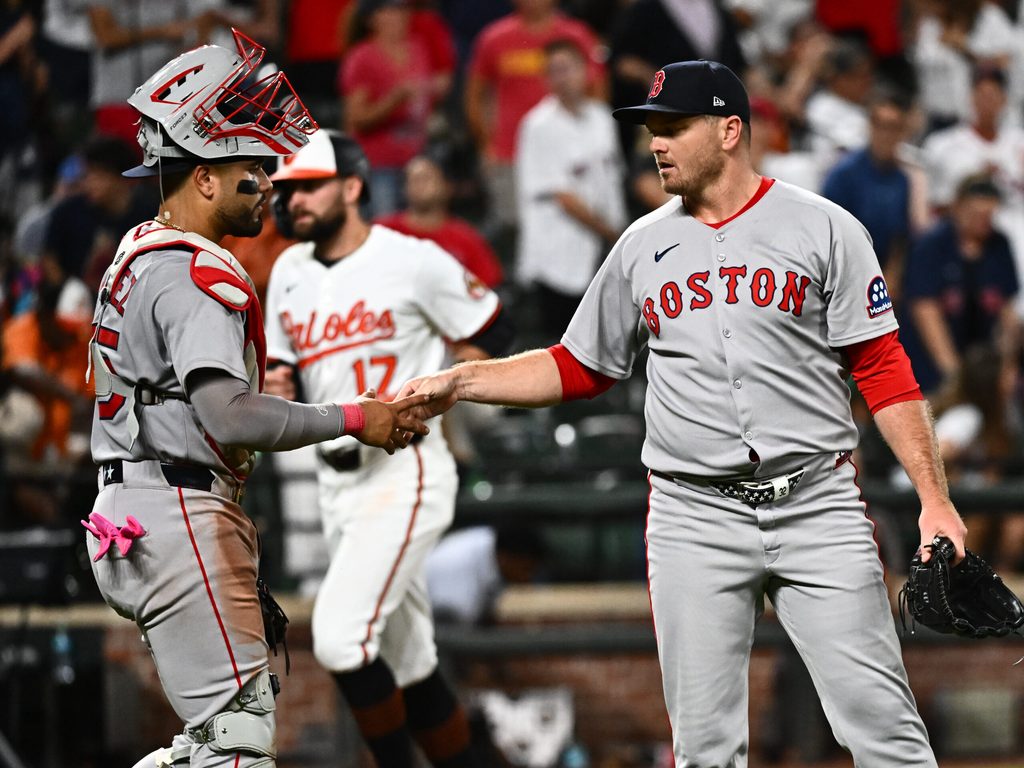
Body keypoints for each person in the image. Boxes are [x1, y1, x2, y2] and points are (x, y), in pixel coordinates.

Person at [399, 60, 967, 766]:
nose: (655, 144)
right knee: (703, 749)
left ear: (731, 129)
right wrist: (466, 380)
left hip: (816, 503)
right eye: (651, 130)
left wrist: (934, 500)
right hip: (694, 516)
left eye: (673, 127)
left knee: (886, 734)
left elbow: (883, 369)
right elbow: (580, 365)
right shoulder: (641, 245)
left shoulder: (826, 228)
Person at [83, 31, 430, 768]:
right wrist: (356, 417)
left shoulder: (139, 249)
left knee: (201, 748)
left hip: (135, 512)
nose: (266, 183)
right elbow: (228, 415)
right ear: (203, 177)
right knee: (235, 746)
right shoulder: (196, 271)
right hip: (176, 515)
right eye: (249, 167)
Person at [263, 128, 514, 768]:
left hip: (406, 472)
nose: (295, 201)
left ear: (352, 187)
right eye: (287, 190)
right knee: (412, 663)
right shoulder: (288, 271)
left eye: (309, 187)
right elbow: (285, 364)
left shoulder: (412, 259)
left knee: (341, 639)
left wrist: (454, 385)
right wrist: (279, 379)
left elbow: (491, 332)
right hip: (334, 482)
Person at [515, 38, 627, 339]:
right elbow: (564, 198)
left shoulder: (602, 117)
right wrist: (615, 235)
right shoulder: (539, 125)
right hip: (558, 258)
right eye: (554, 71)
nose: (562, 77)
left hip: (599, 250)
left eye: (568, 68)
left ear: (585, 70)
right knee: (561, 351)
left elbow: (613, 180)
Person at [900, 175, 1020, 395]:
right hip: (929, 363)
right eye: (975, 214)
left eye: (988, 215)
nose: (982, 221)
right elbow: (926, 312)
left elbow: (1006, 310)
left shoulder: (999, 245)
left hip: (978, 356)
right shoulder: (931, 245)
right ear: (957, 207)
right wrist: (954, 374)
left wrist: (1006, 366)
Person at [375, 153, 504, 289]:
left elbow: (488, 286)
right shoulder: (382, 231)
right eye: (413, 180)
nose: (419, 185)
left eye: (426, 178)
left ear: (447, 186)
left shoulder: (466, 238)